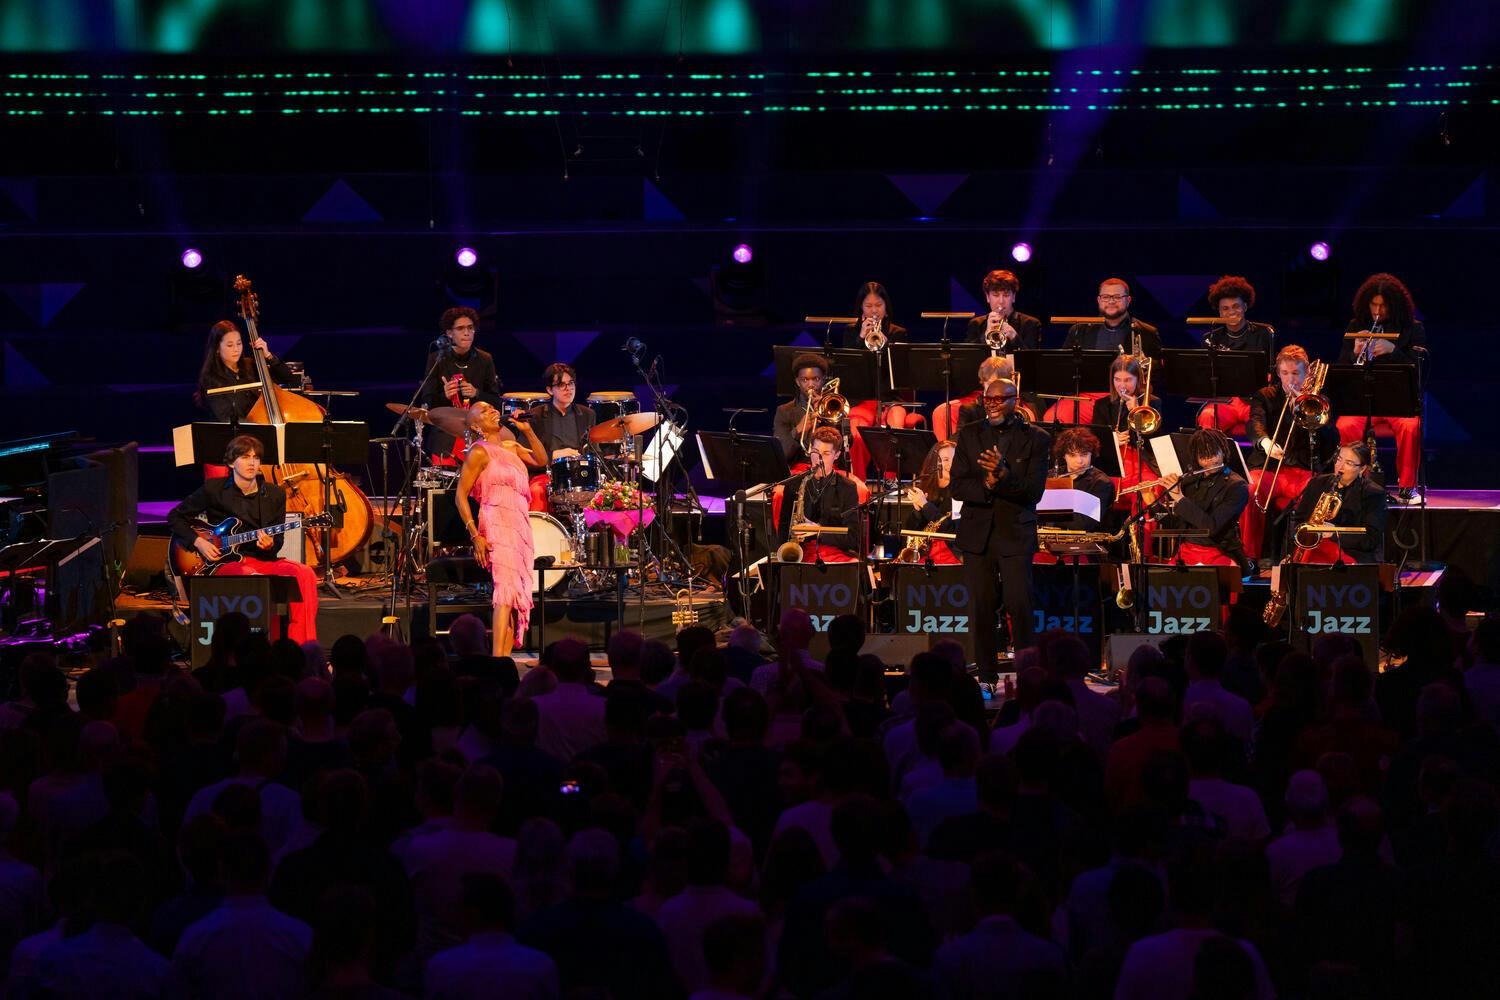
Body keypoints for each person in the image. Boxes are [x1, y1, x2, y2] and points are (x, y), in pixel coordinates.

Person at [167, 433, 320, 644]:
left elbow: (278, 542)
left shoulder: (275, 494)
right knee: (250, 576)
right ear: (231, 462)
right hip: (223, 562)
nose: (252, 462)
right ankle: (260, 647)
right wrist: (199, 542)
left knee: (304, 573)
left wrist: (269, 546)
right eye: (245, 457)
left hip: (260, 559)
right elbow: (175, 517)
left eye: (256, 458)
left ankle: (303, 648)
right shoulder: (214, 489)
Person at [951, 378, 1051, 671]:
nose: (991, 405)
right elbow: (957, 486)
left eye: (998, 399)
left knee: (1019, 607)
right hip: (977, 535)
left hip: (1015, 532)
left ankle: (1027, 673)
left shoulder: (1037, 438)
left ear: (1014, 400)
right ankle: (986, 675)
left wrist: (1005, 476)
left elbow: (1034, 492)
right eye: (987, 399)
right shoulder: (969, 434)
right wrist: (987, 482)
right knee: (981, 608)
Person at [455, 402, 549, 656]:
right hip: (496, 523)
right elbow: (460, 495)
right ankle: (497, 662)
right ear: (475, 425)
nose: (493, 411)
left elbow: (542, 460)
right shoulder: (479, 452)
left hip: (519, 525)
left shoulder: (511, 447)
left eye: (492, 408)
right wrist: (475, 535)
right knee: (505, 592)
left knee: (514, 596)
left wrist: (527, 431)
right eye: (484, 412)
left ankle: (504, 661)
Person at [1335, 272, 1428, 504]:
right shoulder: (1356, 325)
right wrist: (1354, 353)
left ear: (1394, 306)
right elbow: (1342, 369)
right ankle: (1356, 482)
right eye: (1373, 304)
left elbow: (1420, 371)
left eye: (1383, 306)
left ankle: (1407, 487)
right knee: (1344, 424)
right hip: (1364, 400)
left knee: (1411, 427)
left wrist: (1392, 350)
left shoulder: (1413, 328)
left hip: (1399, 403)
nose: (1377, 311)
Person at [1241, 345, 1339, 562]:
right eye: (1285, 373)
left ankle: (1301, 558)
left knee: (1317, 499)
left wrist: (1305, 411)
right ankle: (1249, 556)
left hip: (1302, 469)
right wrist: (1265, 442)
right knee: (1250, 492)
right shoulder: (1265, 396)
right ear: (1278, 374)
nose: (1290, 380)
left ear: (1306, 375)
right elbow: (1254, 423)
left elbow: (1332, 440)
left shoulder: (1319, 401)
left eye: (1296, 373)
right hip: (1270, 467)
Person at [843, 282, 916, 478]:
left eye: (879, 305)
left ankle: (891, 484)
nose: (874, 311)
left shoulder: (898, 332)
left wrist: (885, 344)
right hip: (862, 400)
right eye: (868, 306)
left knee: (893, 430)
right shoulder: (851, 332)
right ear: (861, 308)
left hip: (891, 399)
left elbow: (901, 373)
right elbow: (848, 372)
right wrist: (860, 340)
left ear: (886, 306)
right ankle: (856, 484)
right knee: (855, 434)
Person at [1158, 428, 1251, 572]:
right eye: (1203, 456)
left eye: (1214, 454)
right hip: (1186, 552)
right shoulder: (1189, 481)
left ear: (1224, 450)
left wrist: (1179, 498)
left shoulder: (1237, 486)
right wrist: (1152, 503)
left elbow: (1211, 527)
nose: (1209, 460)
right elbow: (1178, 526)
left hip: (1218, 552)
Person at [423, 306, 504, 462]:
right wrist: (445, 396)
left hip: (479, 437)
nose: (467, 333)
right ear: (449, 333)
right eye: (460, 328)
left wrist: (477, 394)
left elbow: (496, 401)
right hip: (445, 438)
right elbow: (427, 403)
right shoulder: (437, 359)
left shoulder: (485, 359)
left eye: (470, 328)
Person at [1196, 275, 1274, 434]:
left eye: (1236, 306)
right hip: (1225, 401)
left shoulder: (1264, 333)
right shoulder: (1210, 338)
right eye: (1225, 308)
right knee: (1207, 417)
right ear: (1219, 311)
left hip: (1254, 401)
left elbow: (1273, 373)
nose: (1231, 312)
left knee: (1268, 419)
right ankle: (1213, 458)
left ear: (1245, 306)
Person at [1288, 442, 1388, 565]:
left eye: (1349, 463)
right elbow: (1299, 521)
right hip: (1313, 550)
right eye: (1339, 460)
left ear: (1362, 469)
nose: (1340, 467)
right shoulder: (1317, 483)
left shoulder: (1373, 493)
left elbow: (1371, 540)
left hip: (1350, 554)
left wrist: (1334, 533)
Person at [775, 427, 862, 563]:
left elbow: (852, 538)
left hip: (835, 553)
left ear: (837, 455)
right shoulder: (795, 484)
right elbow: (784, 526)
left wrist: (819, 531)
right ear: (810, 449)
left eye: (826, 453)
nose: (818, 459)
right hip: (801, 553)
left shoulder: (847, 488)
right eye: (815, 452)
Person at [524, 362, 597, 512]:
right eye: (561, 385)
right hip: (547, 476)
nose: (568, 388)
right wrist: (553, 456)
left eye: (571, 383)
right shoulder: (536, 416)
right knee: (536, 492)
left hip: (580, 475)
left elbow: (595, 451)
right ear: (550, 390)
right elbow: (525, 454)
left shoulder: (587, 414)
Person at [195, 319, 296, 424]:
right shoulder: (210, 378)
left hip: (261, 430)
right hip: (234, 436)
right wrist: (261, 427)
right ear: (217, 349)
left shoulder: (250, 366)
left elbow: (288, 378)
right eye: (230, 345)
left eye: (239, 343)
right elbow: (226, 418)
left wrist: (268, 355)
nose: (236, 349)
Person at [1092, 353, 1164, 485]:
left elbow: (1154, 443)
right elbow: (1094, 439)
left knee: (1148, 485)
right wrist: (1113, 440)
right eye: (1117, 379)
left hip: (1142, 458)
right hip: (1112, 459)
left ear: (1138, 379)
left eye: (1128, 380)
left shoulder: (1153, 403)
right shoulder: (1102, 404)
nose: (1122, 386)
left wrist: (1136, 412)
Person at [773, 352, 849, 466]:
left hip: (830, 470)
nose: (811, 384)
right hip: (797, 472)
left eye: (816, 379)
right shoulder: (784, 411)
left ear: (823, 380)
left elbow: (847, 445)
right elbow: (781, 453)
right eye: (805, 380)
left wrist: (828, 418)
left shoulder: (835, 406)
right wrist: (798, 430)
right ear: (797, 382)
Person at [1062, 278, 1162, 357]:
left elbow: (1158, 375)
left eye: (1117, 297)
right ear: (1098, 300)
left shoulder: (1147, 333)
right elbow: (1064, 367)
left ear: (1128, 300)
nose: (1111, 301)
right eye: (1105, 297)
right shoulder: (1078, 331)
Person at [900, 439, 960, 565]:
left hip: (950, 555)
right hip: (926, 554)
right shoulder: (927, 488)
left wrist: (926, 506)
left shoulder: (960, 491)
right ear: (934, 464)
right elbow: (910, 530)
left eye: (955, 459)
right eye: (946, 460)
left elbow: (952, 530)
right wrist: (917, 510)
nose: (952, 464)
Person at [1048, 426, 1117, 533]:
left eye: (1084, 455)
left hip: (1088, 544)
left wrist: (1048, 517)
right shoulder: (1051, 476)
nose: (1079, 461)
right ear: (1064, 456)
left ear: (1092, 454)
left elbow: (1084, 523)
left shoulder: (1101, 483)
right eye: (1072, 455)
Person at [964, 269, 1042, 352]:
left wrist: (1015, 337)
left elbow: (1034, 362)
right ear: (987, 297)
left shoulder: (1031, 324)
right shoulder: (975, 324)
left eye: (1006, 295)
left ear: (1014, 297)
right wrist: (986, 335)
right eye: (995, 295)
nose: (1001, 301)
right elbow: (970, 360)